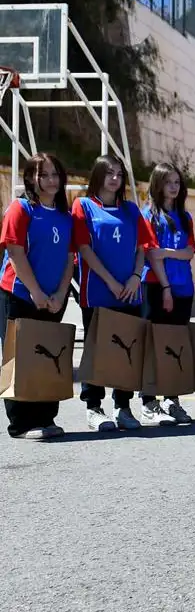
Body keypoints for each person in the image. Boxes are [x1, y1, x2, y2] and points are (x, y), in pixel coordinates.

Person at [73, 154, 152, 432]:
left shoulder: (131, 210)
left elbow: (143, 247)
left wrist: (134, 278)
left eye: (119, 173)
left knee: (125, 351)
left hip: (129, 292)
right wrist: (110, 282)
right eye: (109, 173)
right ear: (98, 175)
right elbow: (84, 249)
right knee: (96, 350)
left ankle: (123, 405)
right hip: (97, 291)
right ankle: (94, 407)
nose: (115, 178)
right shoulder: (83, 206)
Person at [2, 153, 75, 440]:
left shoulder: (65, 216)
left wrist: (59, 294)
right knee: (20, 358)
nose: (51, 180)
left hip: (54, 299)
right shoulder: (21, 209)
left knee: (49, 356)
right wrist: (35, 291)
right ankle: (20, 423)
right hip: (20, 294)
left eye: (55, 174)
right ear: (31, 178)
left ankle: (46, 418)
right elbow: (15, 252)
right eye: (44, 175)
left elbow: (70, 258)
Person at [138, 162, 195, 426]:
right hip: (156, 287)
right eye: (168, 182)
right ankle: (149, 401)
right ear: (158, 184)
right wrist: (165, 289)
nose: (174, 187)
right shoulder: (148, 215)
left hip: (183, 288)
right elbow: (152, 255)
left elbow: (189, 252)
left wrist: (169, 252)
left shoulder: (185, 217)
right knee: (153, 344)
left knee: (175, 345)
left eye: (177, 182)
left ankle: (171, 399)